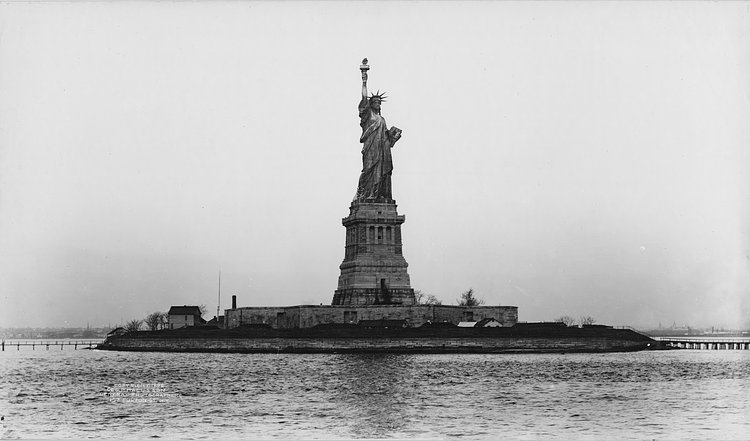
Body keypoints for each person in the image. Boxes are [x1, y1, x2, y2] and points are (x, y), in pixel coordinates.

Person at [355, 62, 401, 201]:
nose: (377, 103)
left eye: (379, 102)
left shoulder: (382, 119)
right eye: (375, 101)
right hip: (370, 149)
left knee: (381, 173)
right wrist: (364, 80)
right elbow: (363, 99)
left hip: (382, 151)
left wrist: (393, 136)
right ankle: (364, 194)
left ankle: (378, 195)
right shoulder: (368, 116)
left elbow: (387, 137)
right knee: (368, 170)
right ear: (370, 104)